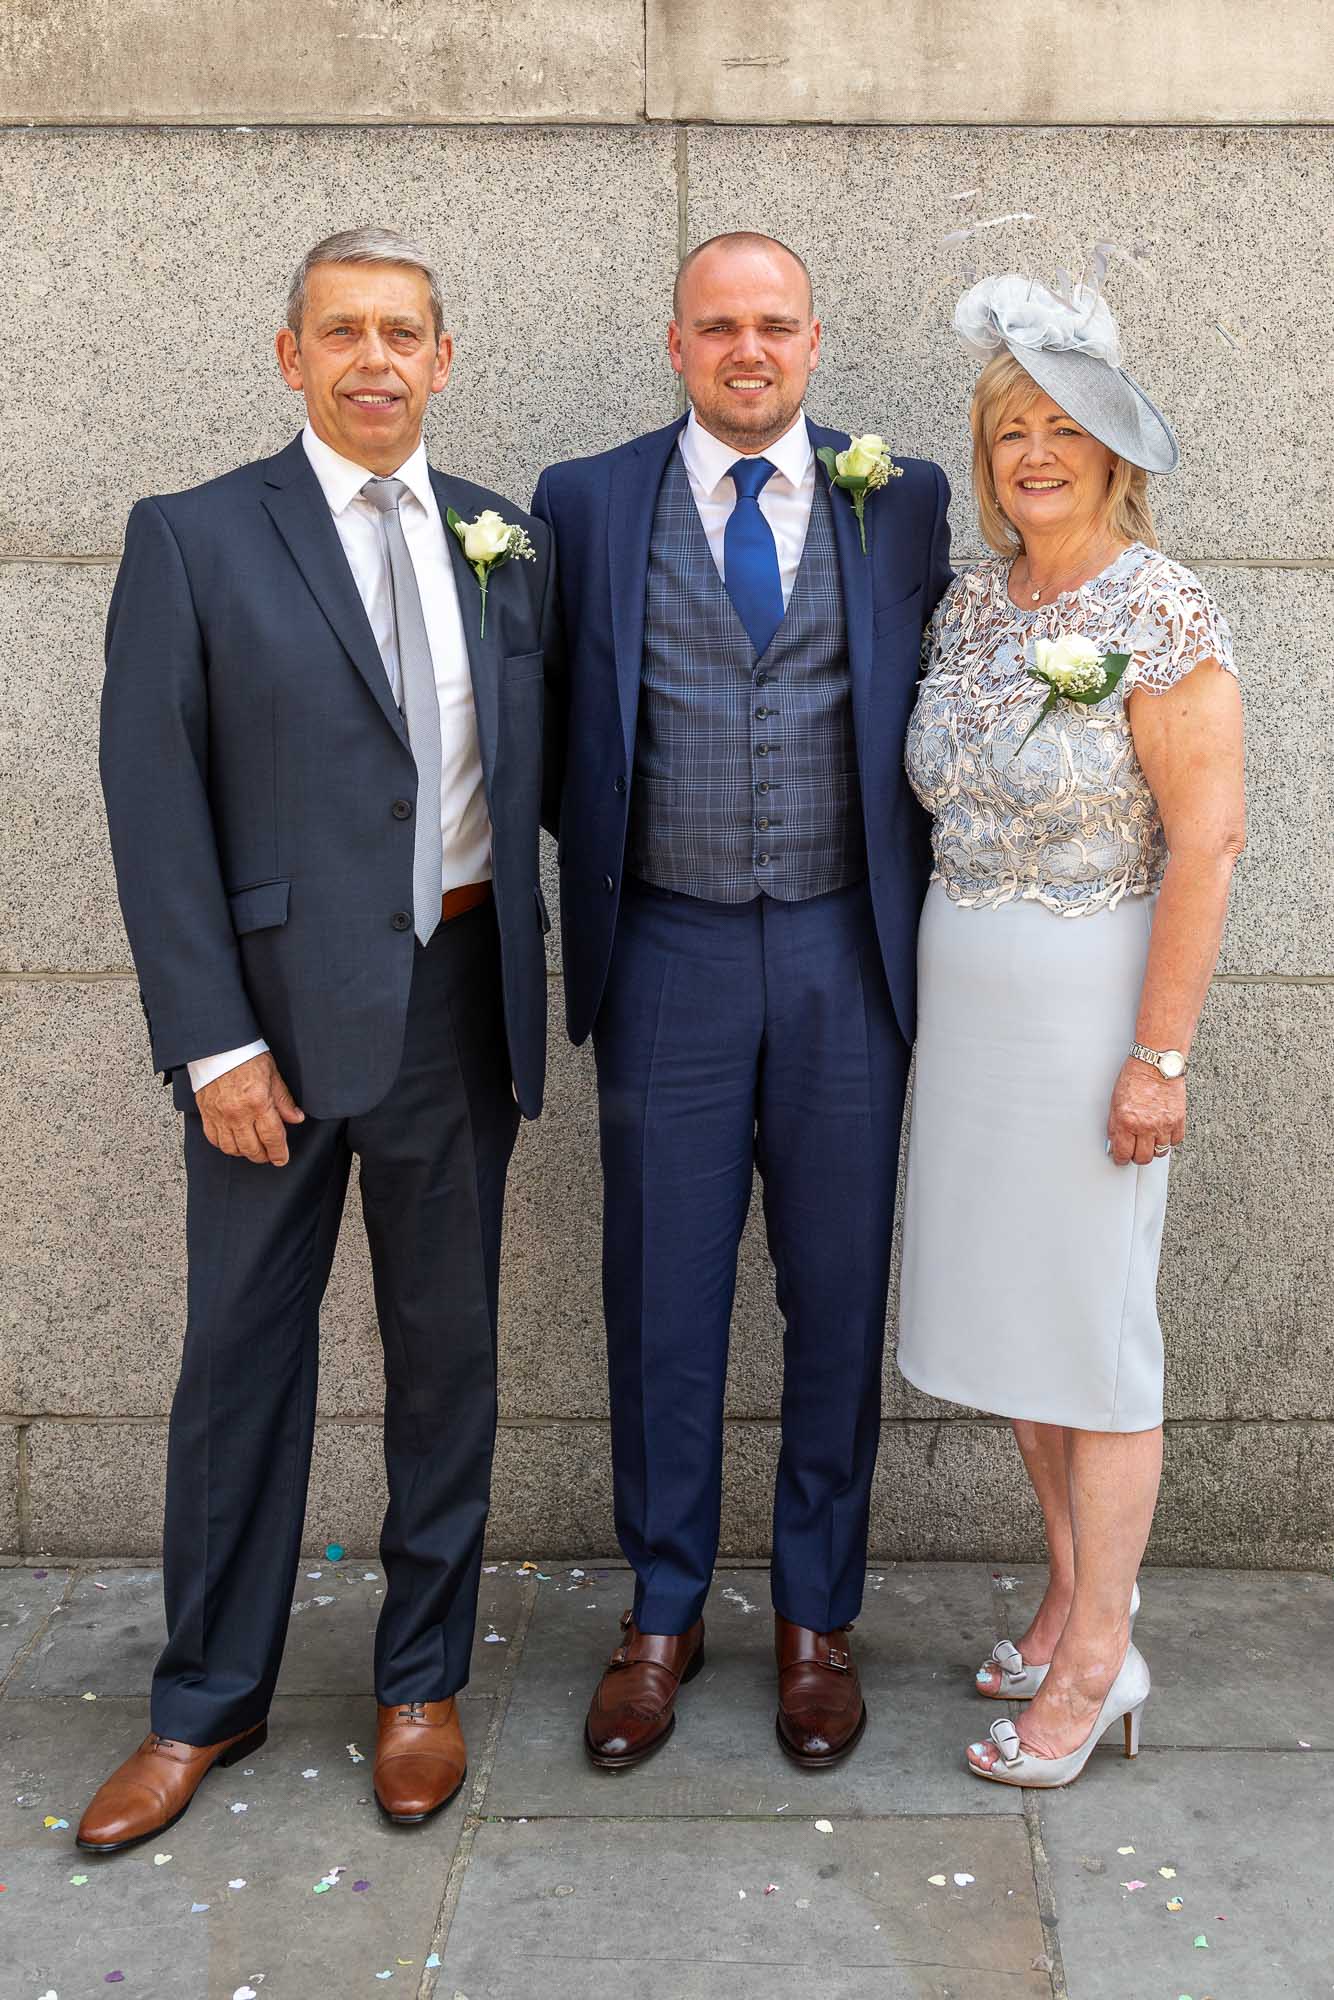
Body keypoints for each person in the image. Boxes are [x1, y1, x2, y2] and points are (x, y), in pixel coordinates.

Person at [81, 226, 554, 1850]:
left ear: (443, 358)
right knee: (239, 1367)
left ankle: (420, 1680)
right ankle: (205, 1699)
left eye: (401, 333)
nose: (374, 359)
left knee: (447, 1362)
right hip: (271, 1033)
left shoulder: (507, 539)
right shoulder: (195, 535)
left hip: (460, 1005)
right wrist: (212, 1043)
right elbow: (153, 802)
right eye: (341, 331)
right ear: (290, 356)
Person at [535, 231, 952, 1770]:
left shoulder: (901, 498)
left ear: (814, 341)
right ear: (676, 344)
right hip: (669, 952)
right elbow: (555, 726)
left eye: (775, 324)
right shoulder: (586, 500)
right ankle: (662, 1610)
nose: (749, 349)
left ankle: (816, 1618)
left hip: (848, 952)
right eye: (719, 326)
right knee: (662, 1295)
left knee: (835, 1293)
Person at [900, 274, 1245, 1787]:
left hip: (1092, 1007)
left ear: (1115, 451)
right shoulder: (979, 602)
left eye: (1064, 427)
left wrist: (1158, 1059)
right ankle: (1065, 1597)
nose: (1034, 453)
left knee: (1095, 1342)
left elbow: (1208, 844)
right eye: (1009, 431)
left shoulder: (1162, 609)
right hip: (970, 1011)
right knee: (1024, 1330)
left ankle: (1103, 1656)